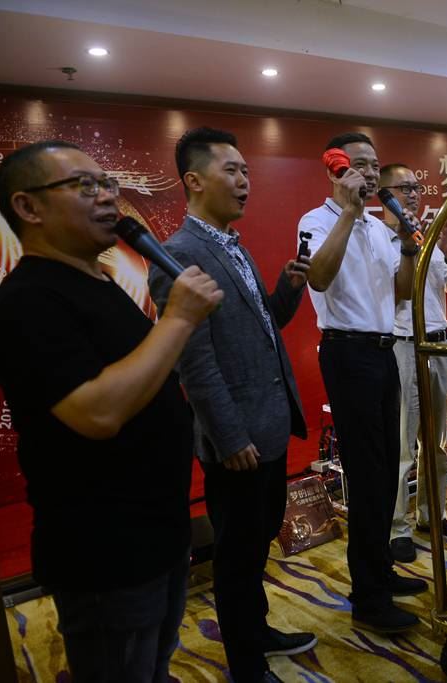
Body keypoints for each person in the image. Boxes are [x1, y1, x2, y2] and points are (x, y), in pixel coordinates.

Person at [0, 140, 223, 682]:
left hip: (156, 534)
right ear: (28, 207)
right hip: (105, 551)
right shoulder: (28, 300)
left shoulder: (96, 282)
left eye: (108, 184)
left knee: (153, 664)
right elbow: (96, 413)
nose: (108, 197)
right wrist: (178, 319)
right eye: (85, 186)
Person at [148, 128, 315, 683]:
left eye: (247, 171)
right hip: (237, 441)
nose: (245, 181)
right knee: (237, 556)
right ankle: (246, 664)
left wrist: (287, 290)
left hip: (266, 427)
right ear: (194, 181)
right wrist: (228, 435)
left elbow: (258, 328)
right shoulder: (178, 254)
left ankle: (257, 631)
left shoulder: (230, 244)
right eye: (232, 170)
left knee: (256, 542)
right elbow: (193, 362)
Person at [299, 133, 426, 633]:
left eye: (374, 165)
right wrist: (349, 212)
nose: (370, 173)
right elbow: (318, 278)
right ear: (335, 169)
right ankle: (368, 599)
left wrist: (410, 249)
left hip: (384, 351)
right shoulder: (316, 220)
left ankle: (381, 572)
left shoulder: (378, 226)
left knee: (386, 472)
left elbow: (401, 294)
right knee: (367, 475)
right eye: (359, 165)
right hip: (347, 353)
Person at [379, 163, 447, 564]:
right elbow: (398, 294)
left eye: (416, 187)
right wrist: (407, 245)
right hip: (404, 345)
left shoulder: (428, 237)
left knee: (437, 442)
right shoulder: (379, 239)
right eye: (404, 188)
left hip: (441, 345)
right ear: (384, 193)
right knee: (403, 445)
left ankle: (432, 514)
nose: (414, 194)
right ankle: (397, 528)